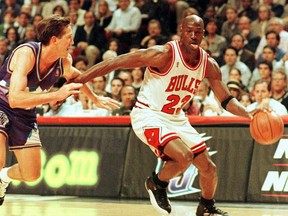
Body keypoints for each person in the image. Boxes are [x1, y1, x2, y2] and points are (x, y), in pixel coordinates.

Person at [72, 15, 253, 215]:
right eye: (189, 31)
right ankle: (156, 183)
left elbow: (227, 100)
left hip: (176, 117)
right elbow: (117, 62)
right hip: (148, 114)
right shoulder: (164, 54)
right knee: (183, 157)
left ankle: (206, 207)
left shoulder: (208, 64)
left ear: (204, 34)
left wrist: (250, 115)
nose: (193, 36)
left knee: (209, 168)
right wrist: (80, 79)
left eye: (198, 32)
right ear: (181, 31)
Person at [0, 14, 119, 206]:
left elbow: (76, 76)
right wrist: (56, 95)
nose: (73, 41)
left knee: (31, 174)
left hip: (26, 114)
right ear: (54, 40)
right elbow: (15, 99)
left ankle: (2, 178)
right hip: (3, 105)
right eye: (69, 37)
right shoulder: (27, 53)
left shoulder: (64, 61)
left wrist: (94, 98)